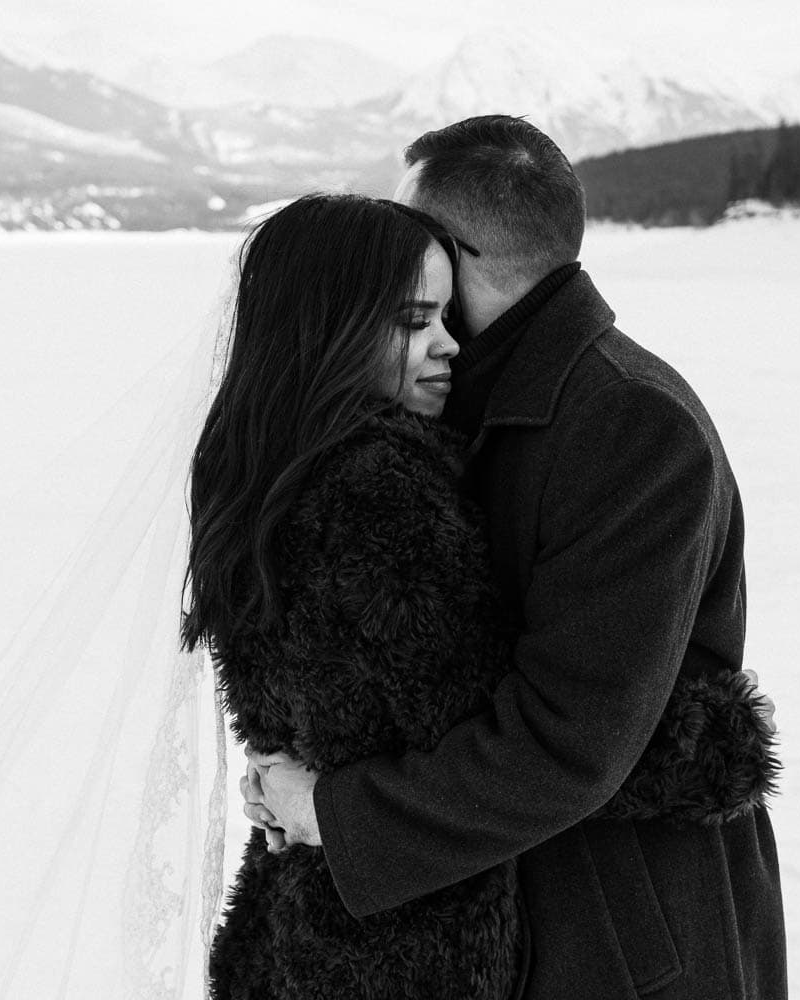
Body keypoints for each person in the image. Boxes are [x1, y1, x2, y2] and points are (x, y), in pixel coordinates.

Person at [248, 115, 787, 999]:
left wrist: (335, 813)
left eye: (409, 231)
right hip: (493, 903)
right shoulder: (442, 396)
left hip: (626, 928)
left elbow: (572, 737)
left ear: (457, 251)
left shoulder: (632, 425)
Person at [183, 193, 526, 999]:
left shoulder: (259, 473)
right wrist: (701, 749)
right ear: (331, 329)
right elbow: (505, 748)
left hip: (294, 922)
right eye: (415, 322)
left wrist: (300, 798)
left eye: (448, 318)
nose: (449, 348)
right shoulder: (384, 492)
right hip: (406, 947)